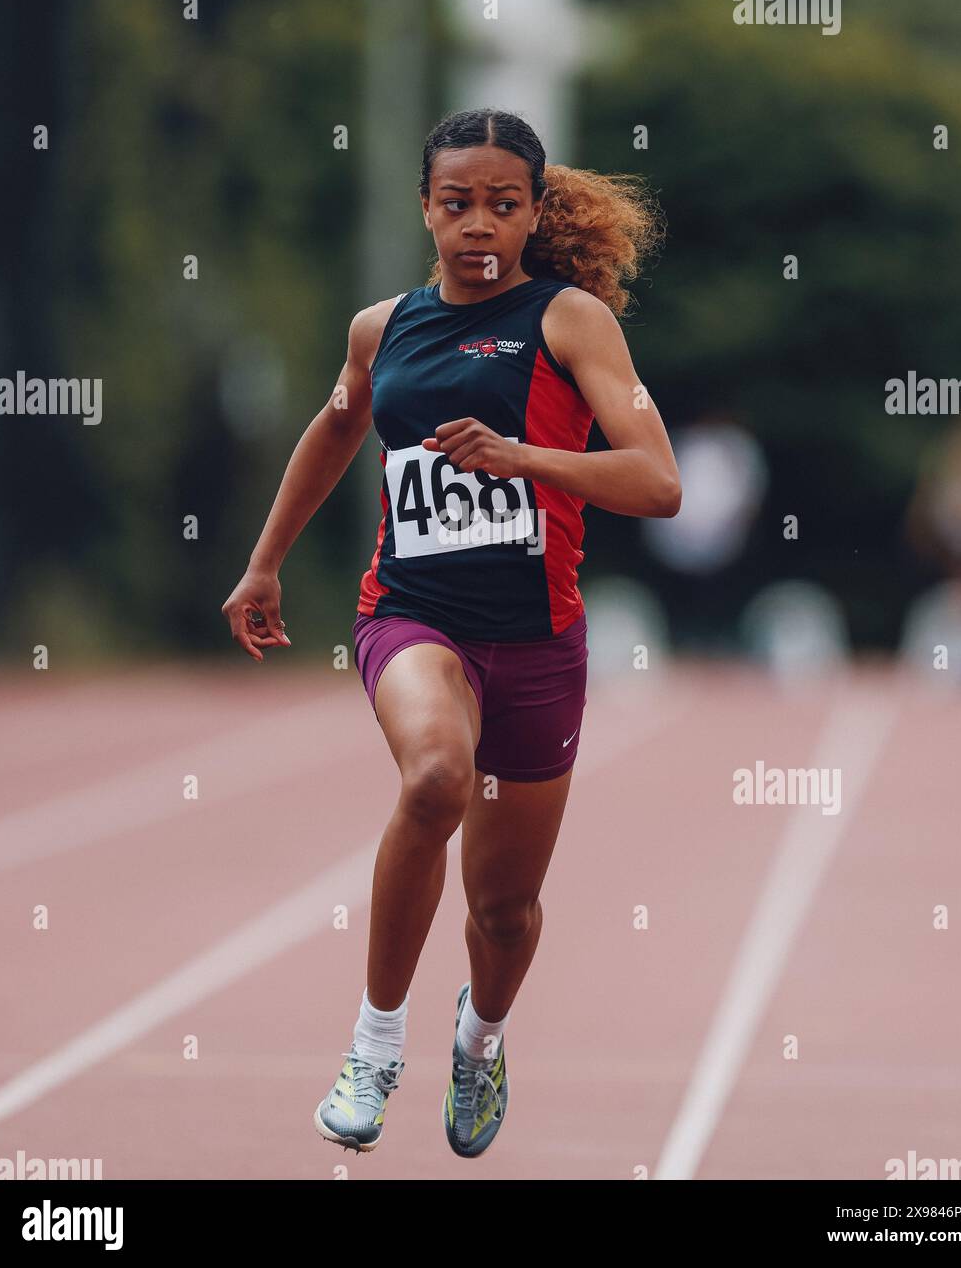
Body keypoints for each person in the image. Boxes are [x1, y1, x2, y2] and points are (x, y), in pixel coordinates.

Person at [221, 107, 681, 1159]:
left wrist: (527, 458)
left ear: (532, 213)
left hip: (536, 642)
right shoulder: (379, 329)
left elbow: (656, 482)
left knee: (505, 911)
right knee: (433, 777)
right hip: (410, 616)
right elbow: (339, 423)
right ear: (424, 206)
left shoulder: (569, 322)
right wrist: (262, 560)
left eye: (502, 205)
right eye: (456, 202)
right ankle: (375, 1042)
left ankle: (478, 1039)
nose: (477, 224)